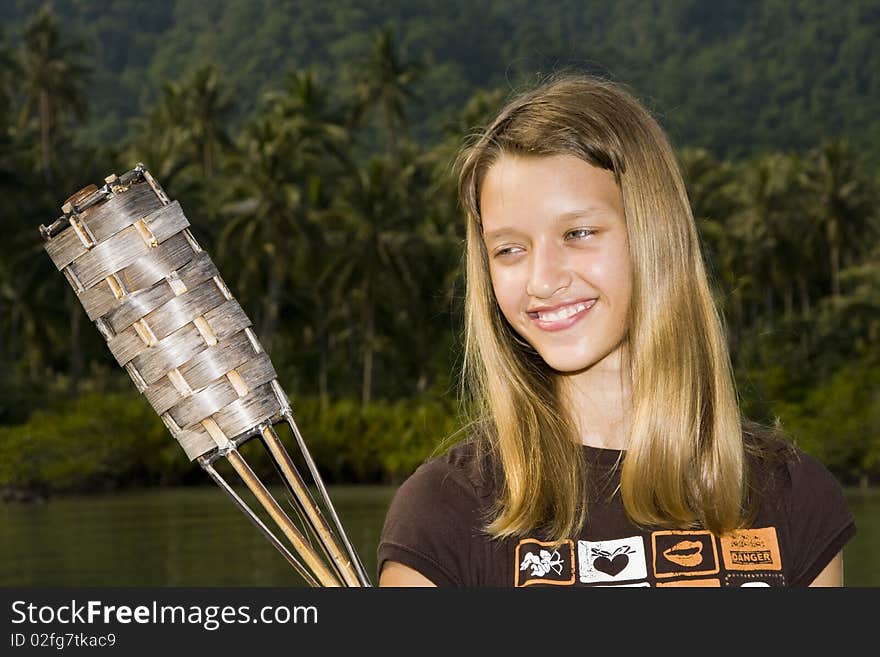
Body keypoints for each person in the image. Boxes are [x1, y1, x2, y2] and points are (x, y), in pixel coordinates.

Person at [376, 74, 857, 588]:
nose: (542, 280)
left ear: (653, 235)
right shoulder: (439, 517)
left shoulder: (796, 500)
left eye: (578, 233)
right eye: (509, 249)